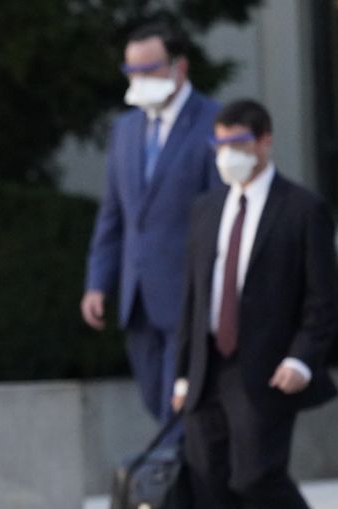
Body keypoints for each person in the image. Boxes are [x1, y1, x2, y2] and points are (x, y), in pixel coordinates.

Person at [172, 99, 338, 509]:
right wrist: (180, 375)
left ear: (265, 142)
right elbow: (193, 299)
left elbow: (322, 300)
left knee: (254, 474)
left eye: (238, 145)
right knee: (211, 490)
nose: (228, 156)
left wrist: (302, 359)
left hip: (267, 373)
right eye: (219, 146)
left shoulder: (302, 209)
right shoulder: (205, 209)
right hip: (207, 372)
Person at [82, 20, 220, 427]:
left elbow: (219, 212)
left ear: (180, 67)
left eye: (149, 69)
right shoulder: (126, 129)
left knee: (178, 405)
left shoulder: (213, 121)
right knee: (155, 399)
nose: (139, 80)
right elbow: (115, 213)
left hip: (188, 292)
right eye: (131, 71)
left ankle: (175, 485)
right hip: (136, 294)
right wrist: (97, 282)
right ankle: (177, 479)